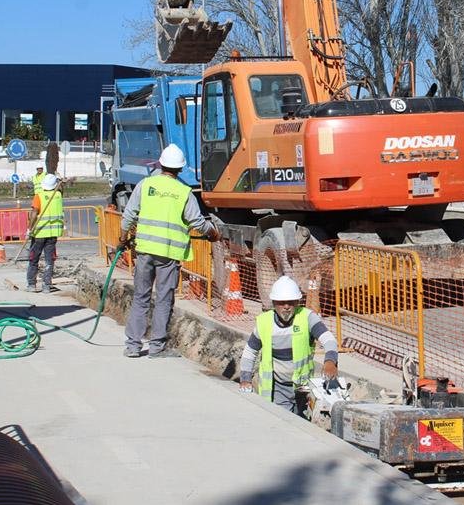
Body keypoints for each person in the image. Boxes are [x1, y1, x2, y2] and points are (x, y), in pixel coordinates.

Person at [119, 144, 220, 358]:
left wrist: (122, 238)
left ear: (161, 164)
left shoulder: (145, 185)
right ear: (180, 169)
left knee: (141, 297)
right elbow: (197, 222)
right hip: (168, 256)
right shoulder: (184, 192)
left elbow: (128, 215)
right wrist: (213, 233)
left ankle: (133, 346)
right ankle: (156, 347)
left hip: (145, 251)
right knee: (164, 299)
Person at [239, 275, 338, 416]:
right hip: (278, 389)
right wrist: (245, 379)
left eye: (290, 302)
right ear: (274, 303)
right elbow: (250, 352)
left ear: (297, 302)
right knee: (284, 422)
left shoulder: (307, 317)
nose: (286, 307)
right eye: (282, 302)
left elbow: (329, 340)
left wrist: (330, 361)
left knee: (302, 426)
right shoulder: (264, 323)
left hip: (303, 389)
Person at [27, 173, 63, 292]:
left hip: (39, 233)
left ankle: (32, 285)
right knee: (49, 261)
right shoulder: (58, 195)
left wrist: (29, 229)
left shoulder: (39, 196)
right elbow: (60, 189)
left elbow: (34, 213)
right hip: (52, 234)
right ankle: (46, 285)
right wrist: (59, 181)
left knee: (33, 259)